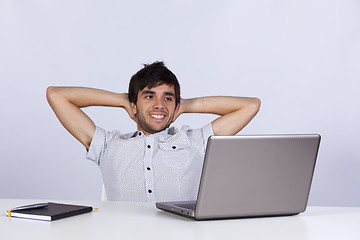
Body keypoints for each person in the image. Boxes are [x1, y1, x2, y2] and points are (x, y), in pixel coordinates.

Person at [46, 61, 261, 202]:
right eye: (149, 96)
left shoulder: (194, 142)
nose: (159, 104)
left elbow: (250, 106)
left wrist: (183, 105)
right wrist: (123, 100)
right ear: (134, 105)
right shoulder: (108, 145)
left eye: (167, 97)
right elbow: (56, 95)